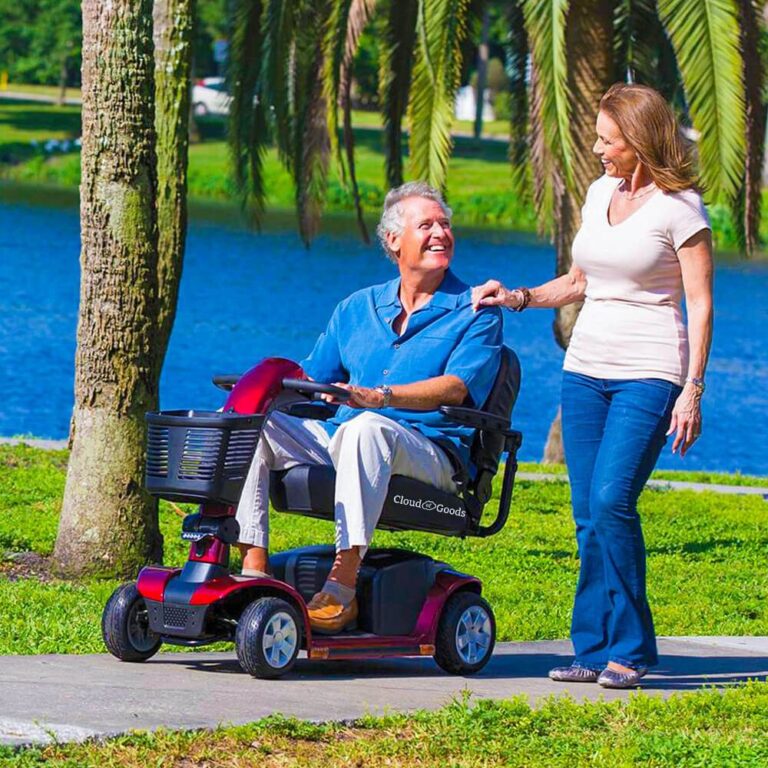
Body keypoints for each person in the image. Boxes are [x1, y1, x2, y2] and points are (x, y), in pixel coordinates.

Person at [472, 83, 713, 689]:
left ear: (638, 139)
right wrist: (522, 297)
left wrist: (693, 390)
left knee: (612, 500)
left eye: (608, 139)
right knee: (586, 513)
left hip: (650, 372)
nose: (598, 149)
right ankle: (595, 647)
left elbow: (701, 303)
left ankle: (630, 649)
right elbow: (582, 278)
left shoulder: (680, 208)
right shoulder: (600, 192)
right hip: (584, 370)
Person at [236, 181, 503, 634]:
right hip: (346, 437)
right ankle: (253, 572)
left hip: (430, 451)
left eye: (445, 224)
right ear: (394, 242)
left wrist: (379, 398)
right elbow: (309, 377)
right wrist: (270, 388)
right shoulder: (357, 308)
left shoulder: (476, 309)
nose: (441, 232)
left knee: (368, 427)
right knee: (256, 422)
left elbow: (457, 388)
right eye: (427, 225)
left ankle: (342, 584)